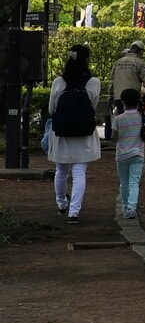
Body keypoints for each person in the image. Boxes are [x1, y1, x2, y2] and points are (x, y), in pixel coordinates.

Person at [49, 44, 101, 223]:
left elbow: (51, 109)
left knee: (61, 171)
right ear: (87, 60)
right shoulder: (93, 82)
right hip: (84, 135)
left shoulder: (59, 82)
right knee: (79, 173)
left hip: (62, 135)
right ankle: (74, 212)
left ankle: (62, 203)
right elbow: (92, 108)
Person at [108, 40, 145, 142]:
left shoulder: (118, 62)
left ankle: (123, 142)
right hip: (133, 98)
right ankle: (138, 143)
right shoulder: (139, 62)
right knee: (137, 122)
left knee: (122, 122)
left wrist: (110, 96)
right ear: (141, 51)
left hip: (118, 98)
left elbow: (111, 81)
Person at [114, 89, 145, 219]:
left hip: (122, 154)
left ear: (123, 102)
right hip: (137, 153)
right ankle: (132, 208)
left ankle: (125, 207)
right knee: (134, 182)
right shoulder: (142, 116)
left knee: (124, 182)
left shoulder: (118, 119)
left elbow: (114, 137)